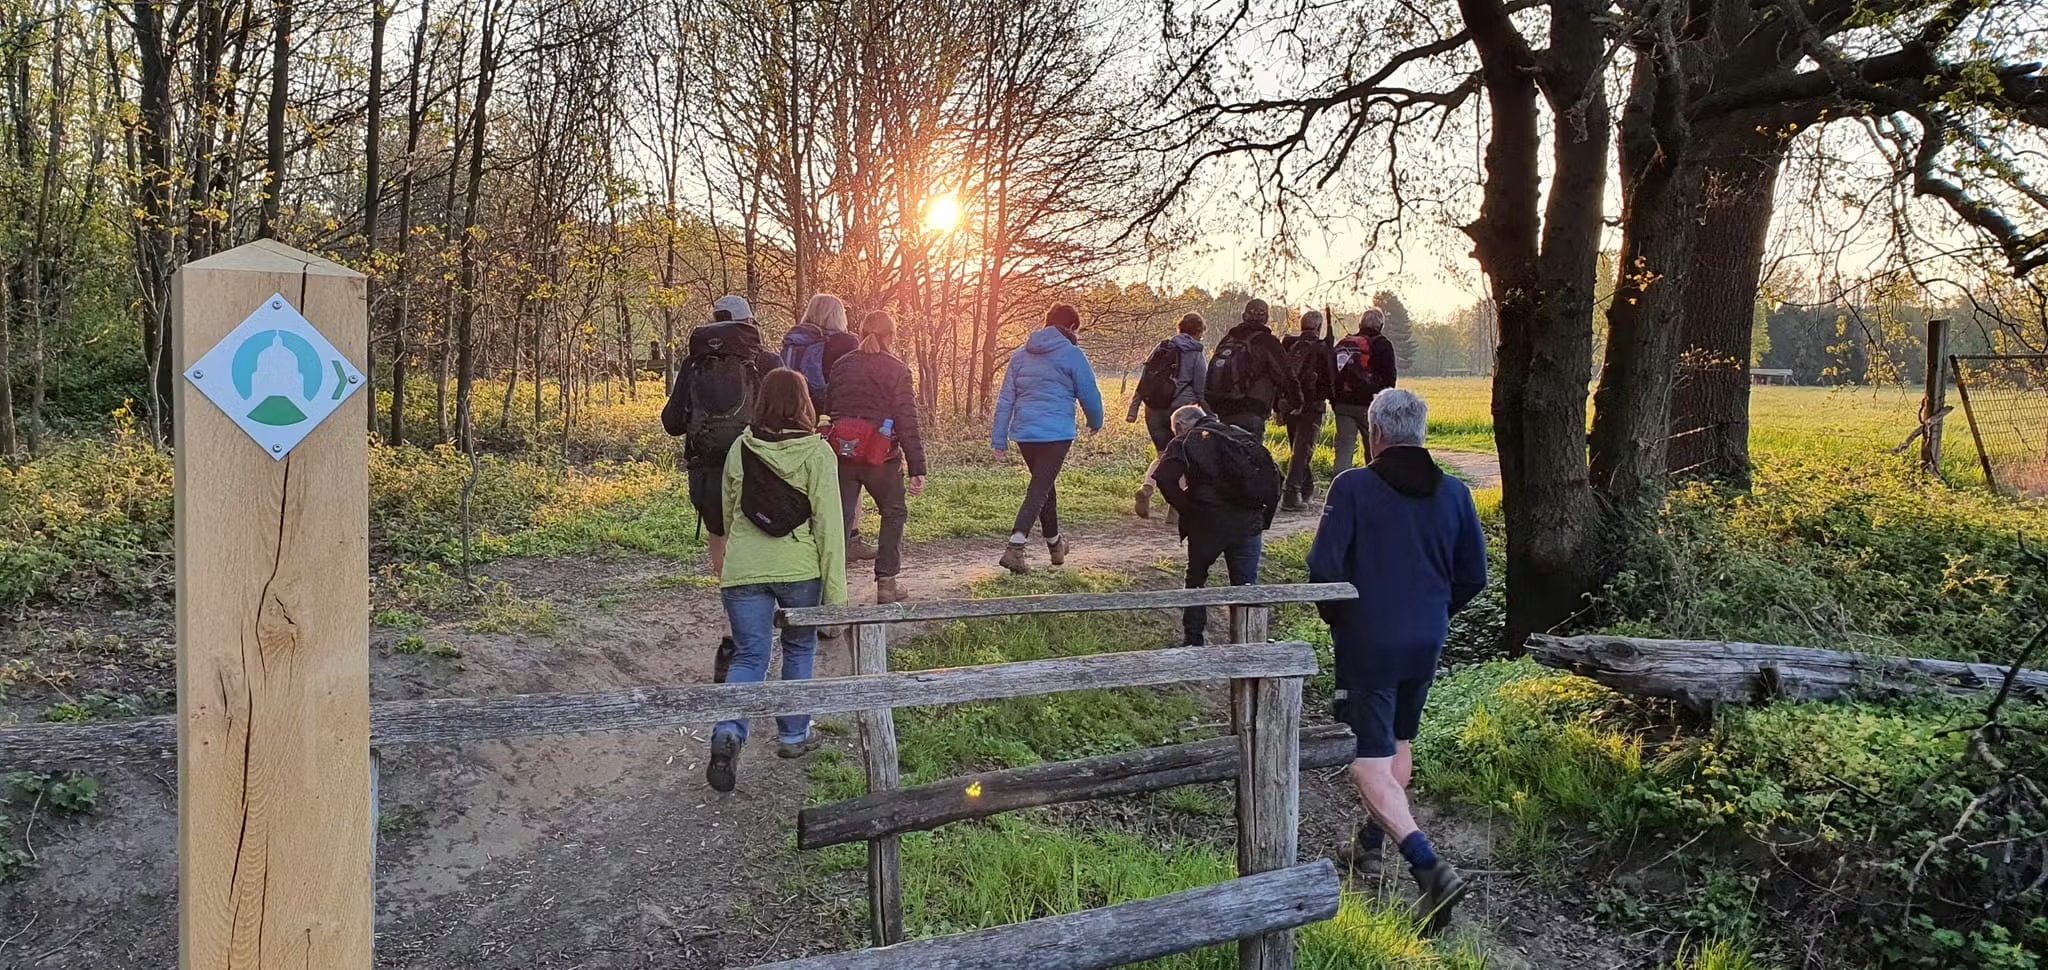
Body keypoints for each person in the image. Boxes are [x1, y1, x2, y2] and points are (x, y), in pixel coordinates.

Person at [1306, 388, 1487, 931]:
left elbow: (1324, 569)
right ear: (1423, 433)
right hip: (1426, 638)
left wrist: (1344, 621)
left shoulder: (1354, 486)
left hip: (1370, 642)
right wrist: (1434, 612)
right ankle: (1366, 845)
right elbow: (1473, 576)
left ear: (1375, 433)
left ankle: (1430, 870)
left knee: (1366, 759)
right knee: (1398, 743)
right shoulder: (1455, 493)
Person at [704, 367, 848, 793]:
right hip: (800, 568)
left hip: (745, 568)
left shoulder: (740, 449)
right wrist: (835, 603)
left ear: (761, 401)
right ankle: (792, 736)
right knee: (798, 650)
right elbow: (830, 527)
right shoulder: (819, 454)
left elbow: (729, 513)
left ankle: (728, 731)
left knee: (749, 657)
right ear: (805, 404)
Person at [661, 294, 783, 579]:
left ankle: (727, 590)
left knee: (717, 528)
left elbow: (672, 423)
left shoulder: (694, 364)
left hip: (706, 466)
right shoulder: (766, 361)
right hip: (756, 462)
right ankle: (754, 589)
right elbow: (786, 414)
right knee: (756, 526)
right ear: (750, 323)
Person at [990, 303, 1105, 574]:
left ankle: (1055, 545)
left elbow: (1006, 398)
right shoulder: (1072, 354)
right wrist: (1095, 421)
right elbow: (1089, 392)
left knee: (1044, 486)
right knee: (1040, 488)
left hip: (1026, 434)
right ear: (1070, 327)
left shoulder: (1020, 355)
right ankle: (1015, 546)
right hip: (1057, 433)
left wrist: (999, 438)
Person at [1156, 404, 1281, 647]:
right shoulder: (1241, 435)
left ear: (1180, 426)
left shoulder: (1184, 440)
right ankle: (1246, 645)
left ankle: (1193, 641)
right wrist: (1262, 519)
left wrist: (1189, 510)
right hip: (1248, 523)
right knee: (1245, 586)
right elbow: (1274, 477)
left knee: (1196, 581)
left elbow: (1164, 477)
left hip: (1207, 523)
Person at [826, 310, 927, 604]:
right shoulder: (897, 369)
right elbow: (907, 421)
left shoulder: (841, 366)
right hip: (881, 457)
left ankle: (833, 590)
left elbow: (830, 408)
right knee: (893, 512)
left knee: (840, 519)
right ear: (891, 337)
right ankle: (886, 583)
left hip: (842, 454)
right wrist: (917, 468)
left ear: (861, 333)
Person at [1128, 312, 1208, 520]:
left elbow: (1145, 380)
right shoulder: (1196, 353)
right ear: (1199, 331)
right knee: (1182, 458)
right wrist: (1210, 416)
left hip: (1154, 409)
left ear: (1179, 328)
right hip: (1182, 413)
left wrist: (1134, 408)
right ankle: (1175, 507)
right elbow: (1201, 389)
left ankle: (1147, 488)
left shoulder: (1163, 347)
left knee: (1162, 455)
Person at [1206, 298, 1297, 441]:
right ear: (1266, 318)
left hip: (1223, 408)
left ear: (1244, 316)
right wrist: (1295, 402)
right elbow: (1285, 375)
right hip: (1252, 408)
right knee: (1250, 456)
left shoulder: (1228, 339)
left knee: (1228, 453)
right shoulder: (1268, 342)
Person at [1280, 309, 1337, 511]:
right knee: (1303, 450)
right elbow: (1330, 380)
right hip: (1312, 405)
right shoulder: (1321, 348)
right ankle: (1291, 493)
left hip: (1290, 404)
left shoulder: (1289, 344)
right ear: (1319, 327)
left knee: (1298, 449)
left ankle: (1305, 489)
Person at [1331, 307, 1399, 475]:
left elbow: (1331, 374)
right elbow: (1390, 378)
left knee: (1344, 449)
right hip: (1370, 406)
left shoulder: (1345, 344)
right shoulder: (1383, 345)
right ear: (1381, 325)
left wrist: (1335, 401)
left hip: (1343, 405)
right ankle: (1375, 486)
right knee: (1374, 449)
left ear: (1360, 324)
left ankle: (1338, 488)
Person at [780, 294, 861, 414]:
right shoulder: (846, 343)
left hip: (793, 408)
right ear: (838, 316)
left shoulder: (795, 338)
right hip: (828, 411)